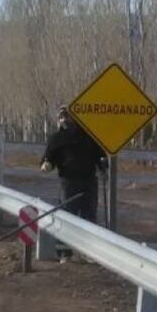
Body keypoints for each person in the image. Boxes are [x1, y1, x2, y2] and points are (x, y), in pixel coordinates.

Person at [41, 106, 107, 262]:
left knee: (89, 216)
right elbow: (48, 158)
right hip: (68, 182)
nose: (65, 120)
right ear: (58, 120)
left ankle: (89, 252)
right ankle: (64, 252)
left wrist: (103, 166)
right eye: (62, 117)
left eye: (68, 116)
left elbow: (100, 156)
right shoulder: (56, 139)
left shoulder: (89, 137)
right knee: (66, 216)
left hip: (88, 181)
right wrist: (47, 165)